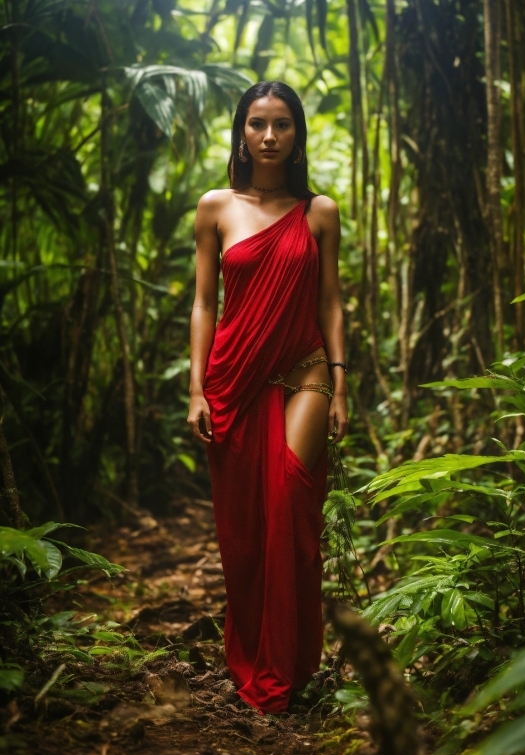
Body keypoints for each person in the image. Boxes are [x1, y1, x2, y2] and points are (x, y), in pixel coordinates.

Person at [187, 80, 348, 714]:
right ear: (242, 131)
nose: (270, 135)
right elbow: (204, 302)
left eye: (283, 124)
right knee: (245, 534)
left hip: (306, 368)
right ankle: (252, 659)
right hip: (232, 381)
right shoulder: (215, 207)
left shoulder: (320, 212)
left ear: (298, 134)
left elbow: (331, 299)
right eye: (258, 123)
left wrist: (339, 378)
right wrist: (197, 388)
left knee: (291, 509)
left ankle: (288, 669)